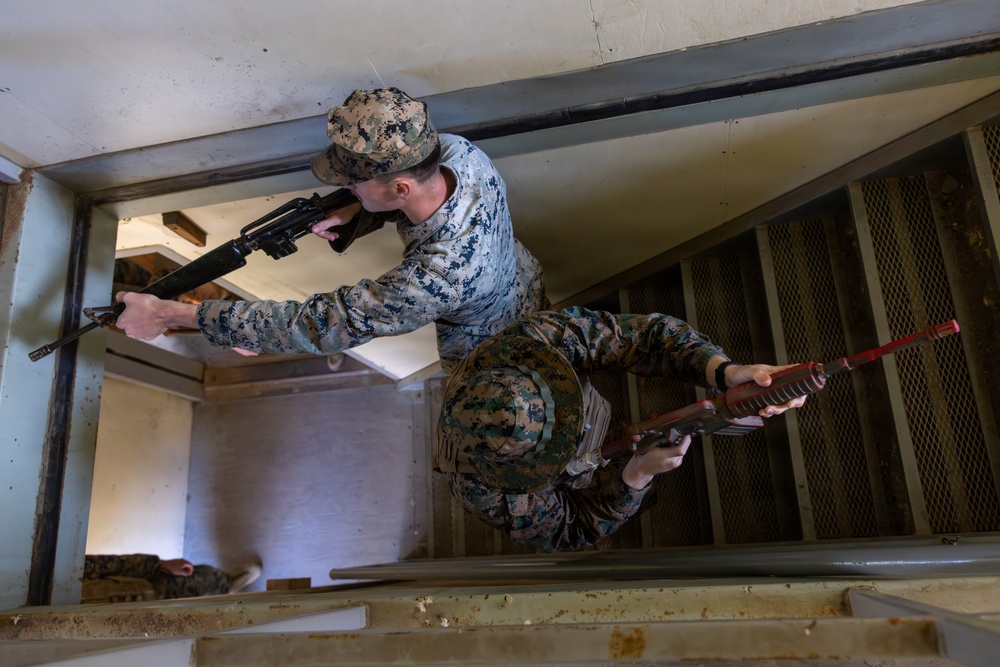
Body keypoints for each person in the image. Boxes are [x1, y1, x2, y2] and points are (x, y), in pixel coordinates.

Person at [114, 87, 547, 374]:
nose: (345, 189)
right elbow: (412, 199)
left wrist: (171, 313)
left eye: (351, 184)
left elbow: (323, 325)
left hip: (489, 352)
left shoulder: (438, 278)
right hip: (525, 283)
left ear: (399, 187)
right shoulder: (459, 153)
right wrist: (357, 210)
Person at [434, 307, 807, 552]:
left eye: (563, 409)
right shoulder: (482, 491)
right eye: (560, 435)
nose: (572, 426)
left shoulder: (532, 344)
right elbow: (572, 530)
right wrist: (636, 477)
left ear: (536, 373)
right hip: (605, 476)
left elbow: (646, 337)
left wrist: (724, 372)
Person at [82, 554, 262, 603]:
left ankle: (226, 583)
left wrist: (159, 565)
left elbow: (106, 565)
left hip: (153, 588)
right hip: (148, 625)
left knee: (203, 578)